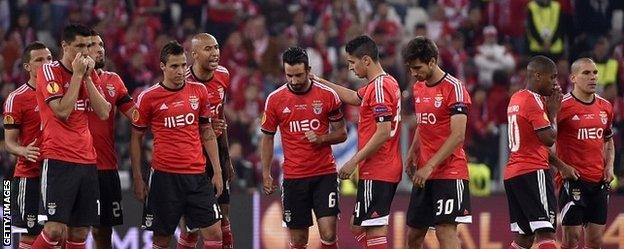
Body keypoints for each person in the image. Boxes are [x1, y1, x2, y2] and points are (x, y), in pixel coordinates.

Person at [130, 41, 224, 249]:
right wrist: (137, 177)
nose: (181, 71)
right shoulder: (148, 97)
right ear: (162, 66)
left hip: (197, 176)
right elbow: (136, 138)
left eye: (183, 65)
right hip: (165, 177)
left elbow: (206, 131)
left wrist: (217, 170)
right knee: (162, 240)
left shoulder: (199, 91)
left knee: (215, 233)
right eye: (174, 66)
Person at [314, 35, 402, 249]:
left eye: (352, 62)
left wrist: (353, 161)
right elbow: (354, 97)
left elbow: (383, 132)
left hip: (379, 167)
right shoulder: (383, 83)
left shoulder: (379, 88)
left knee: (373, 229)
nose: (351, 68)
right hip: (381, 167)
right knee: (358, 225)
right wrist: (320, 82)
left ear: (366, 60)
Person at [32, 23, 112, 249]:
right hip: (58, 159)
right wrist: (77, 75)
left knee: (79, 232)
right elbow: (63, 111)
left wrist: (87, 78)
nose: (85, 52)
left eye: (88, 46)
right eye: (79, 46)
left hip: (87, 161)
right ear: (65, 46)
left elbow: (104, 112)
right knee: (54, 229)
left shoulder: (90, 74)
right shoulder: (49, 72)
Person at [261, 46, 347, 249]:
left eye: (299, 75)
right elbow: (267, 138)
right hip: (293, 178)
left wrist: (322, 139)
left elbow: (342, 133)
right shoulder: (275, 100)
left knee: (328, 233)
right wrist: (266, 172)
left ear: (308, 70)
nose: (294, 81)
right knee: (298, 240)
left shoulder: (328, 96)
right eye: (289, 75)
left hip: (324, 174)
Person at [402, 36, 472, 249]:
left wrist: (430, 164)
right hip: (425, 173)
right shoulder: (418, 87)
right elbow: (423, 124)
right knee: (414, 234)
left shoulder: (455, 88)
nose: (414, 73)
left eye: (417, 67)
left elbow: (458, 135)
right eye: (410, 68)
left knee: (445, 230)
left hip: (450, 172)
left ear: (432, 62)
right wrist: (413, 151)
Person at [550, 58, 614, 249]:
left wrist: (609, 167)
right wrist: (562, 167)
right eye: (586, 73)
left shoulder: (605, 107)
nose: (593, 77)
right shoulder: (562, 106)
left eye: (594, 73)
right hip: (573, 181)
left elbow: (608, 140)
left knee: (595, 241)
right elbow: (544, 143)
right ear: (573, 78)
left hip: (599, 182)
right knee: (571, 239)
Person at [178, 33, 235, 249]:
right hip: (192, 159)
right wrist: (206, 129)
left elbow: (221, 117)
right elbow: (177, 126)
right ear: (193, 55)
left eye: (216, 47)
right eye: (208, 49)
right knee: (191, 225)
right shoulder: (183, 81)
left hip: (216, 157)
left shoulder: (223, 75)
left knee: (224, 218)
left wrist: (226, 158)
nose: (215, 53)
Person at [505, 55, 561, 249]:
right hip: (533, 171)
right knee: (546, 232)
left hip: (514, 173)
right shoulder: (533, 100)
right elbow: (549, 138)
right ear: (538, 75)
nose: (555, 83)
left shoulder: (516, 98)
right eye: (552, 77)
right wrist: (553, 113)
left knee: (524, 237)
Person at [86, 32, 136, 249]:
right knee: (70, 229)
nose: (100, 49)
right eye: (93, 45)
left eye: (101, 44)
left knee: (103, 230)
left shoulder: (113, 80)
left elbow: (136, 115)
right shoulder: (68, 81)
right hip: (74, 165)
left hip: (105, 165)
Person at [3, 41, 52, 249]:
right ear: (27, 67)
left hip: (58, 173)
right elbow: (9, 143)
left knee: (62, 230)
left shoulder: (61, 93)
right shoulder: (17, 98)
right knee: (30, 236)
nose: (46, 63)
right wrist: (24, 150)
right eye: (39, 60)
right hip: (30, 174)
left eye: (49, 59)